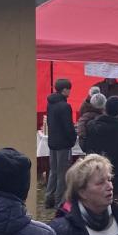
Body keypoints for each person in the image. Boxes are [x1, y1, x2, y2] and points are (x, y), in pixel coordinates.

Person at [81, 96, 118, 189]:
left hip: (92, 171)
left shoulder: (91, 126)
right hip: (114, 175)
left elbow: (85, 146)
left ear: (105, 109)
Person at [44, 78, 76, 210]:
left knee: (54, 171)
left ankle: (48, 198)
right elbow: (68, 127)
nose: (70, 92)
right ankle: (59, 202)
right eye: (69, 89)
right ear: (64, 90)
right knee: (62, 173)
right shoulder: (65, 106)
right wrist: (72, 139)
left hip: (52, 142)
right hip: (63, 143)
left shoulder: (50, 104)